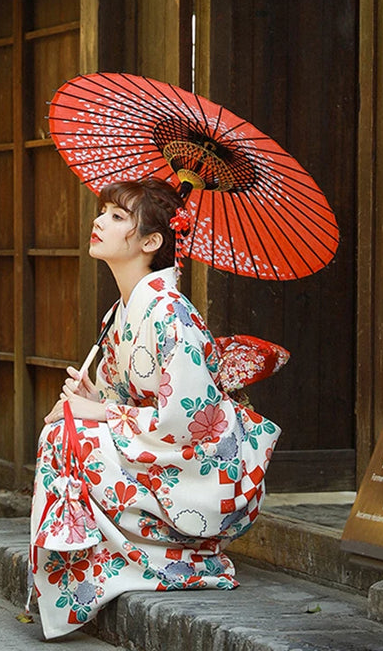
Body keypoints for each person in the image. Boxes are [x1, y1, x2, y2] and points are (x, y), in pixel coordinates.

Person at [29, 178, 281, 639]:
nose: (99, 221)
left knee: (71, 436)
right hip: (157, 449)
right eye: (103, 212)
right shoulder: (123, 312)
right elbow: (115, 400)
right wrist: (89, 397)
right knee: (62, 432)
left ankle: (156, 559)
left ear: (151, 241)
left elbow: (186, 421)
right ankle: (103, 561)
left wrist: (100, 414)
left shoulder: (170, 313)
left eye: (117, 216)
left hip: (199, 467)